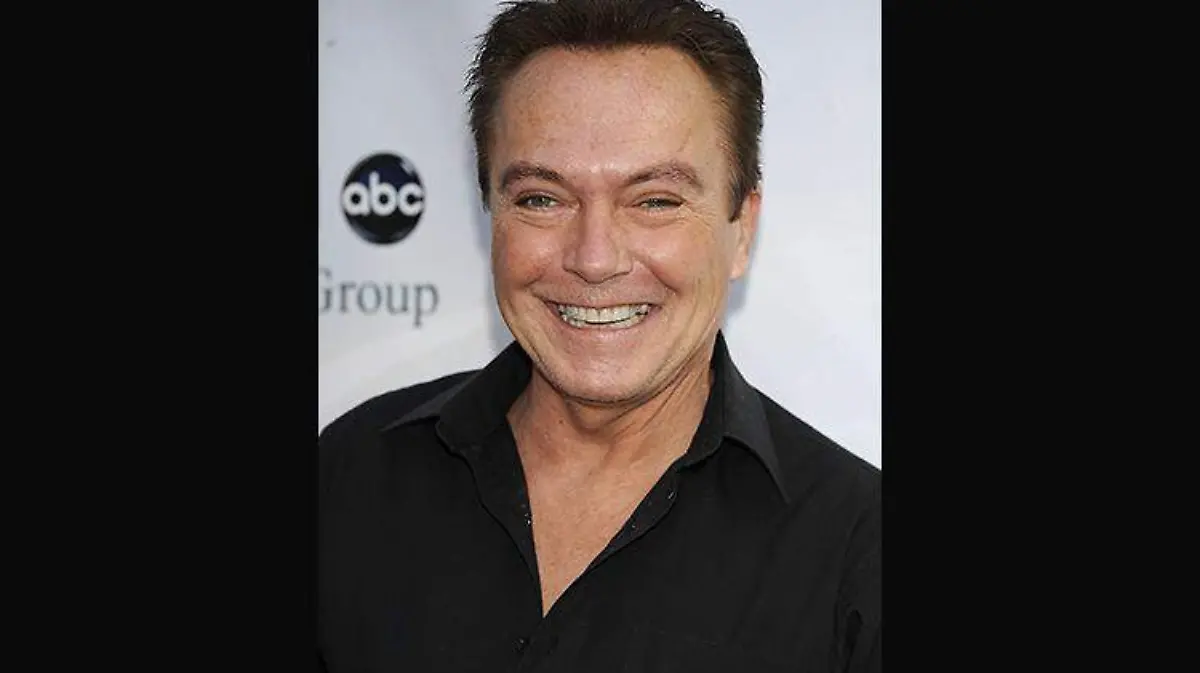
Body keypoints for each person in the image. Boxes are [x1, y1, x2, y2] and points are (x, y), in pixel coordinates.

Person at [317, 0, 880, 671]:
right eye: (542, 198)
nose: (594, 258)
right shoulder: (350, 477)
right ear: (491, 213)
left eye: (655, 201)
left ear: (742, 229)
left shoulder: (859, 552)